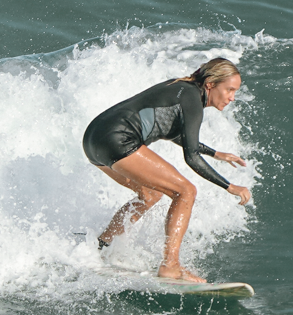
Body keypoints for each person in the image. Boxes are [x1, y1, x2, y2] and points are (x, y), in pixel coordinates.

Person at [81, 57, 252, 281]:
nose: (232, 97)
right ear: (210, 84)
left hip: (94, 140)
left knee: (150, 194)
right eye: (229, 90)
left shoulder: (182, 90)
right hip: (117, 139)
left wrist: (215, 153)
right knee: (186, 191)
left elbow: (169, 130)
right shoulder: (191, 99)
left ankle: (103, 244)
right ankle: (170, 265)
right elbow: (191, 157)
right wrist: (229, 186)